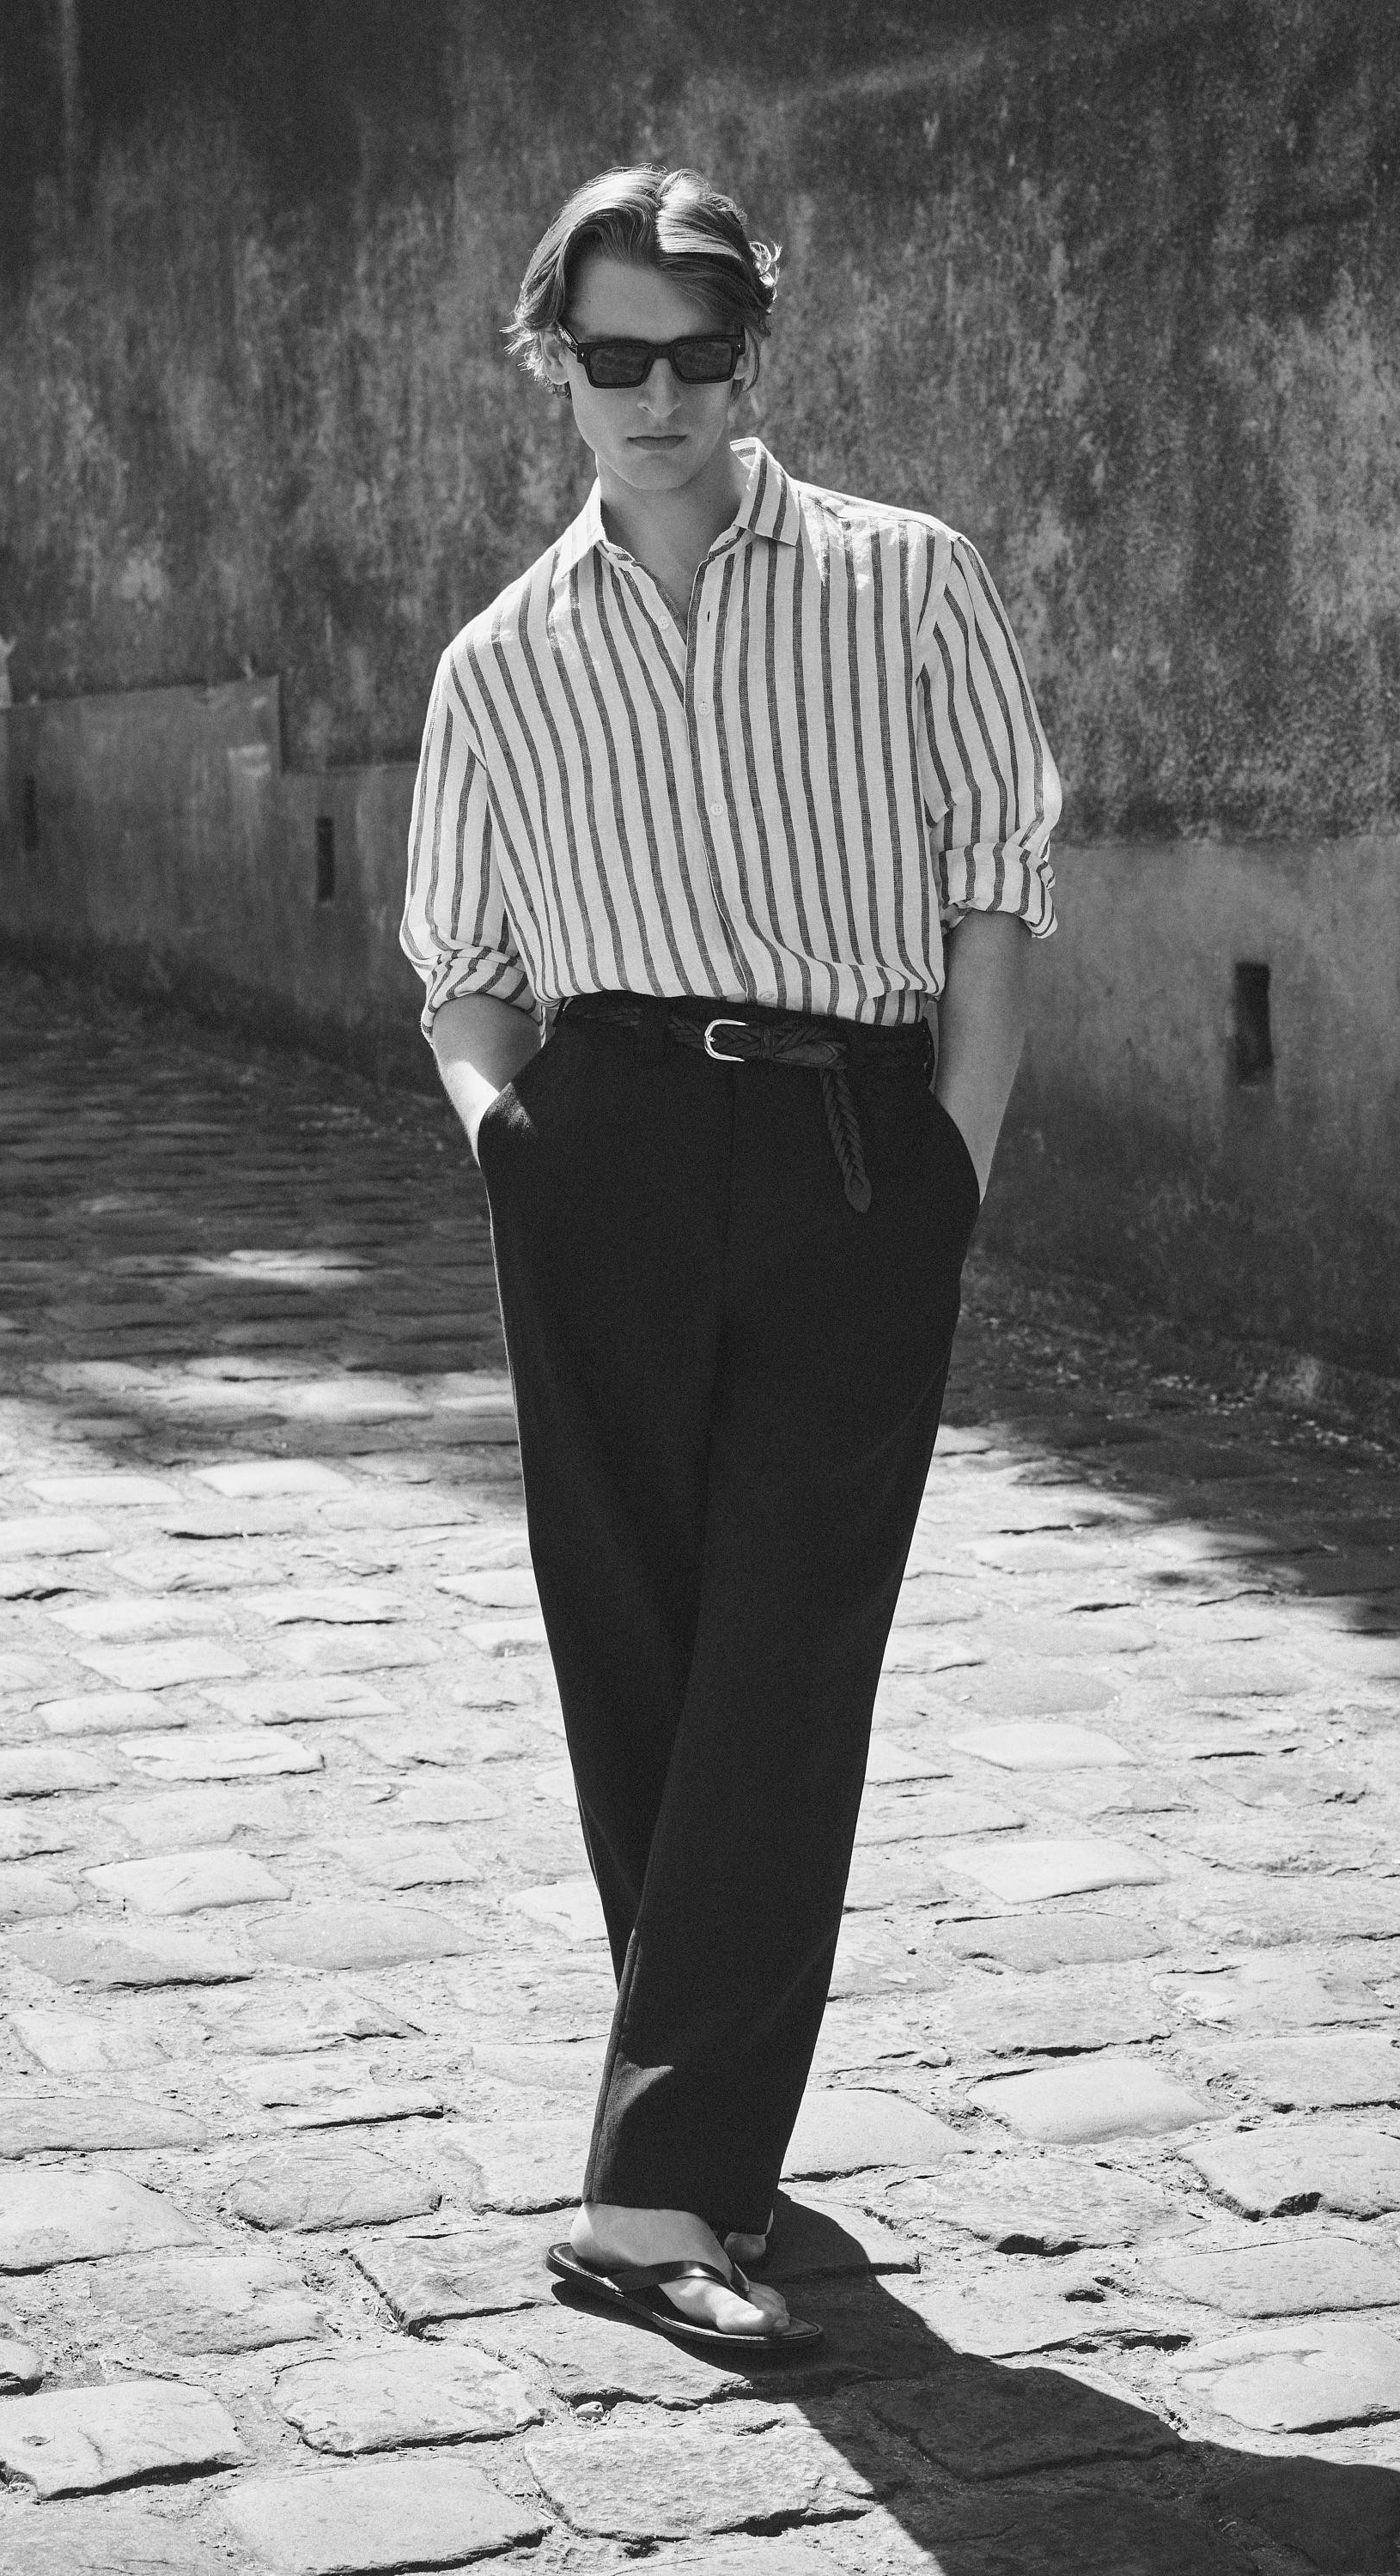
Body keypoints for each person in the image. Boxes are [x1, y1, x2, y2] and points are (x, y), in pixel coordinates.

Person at [402, 165, 1059, 2350]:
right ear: (553, 362)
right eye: (615, 355)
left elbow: (996, 881)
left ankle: (658, 2193)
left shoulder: (906, 578)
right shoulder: (503, 660)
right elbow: (462, 964)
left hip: (852, 1147)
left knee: (788, 1643)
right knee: (641, 1653)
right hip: (598, 1148)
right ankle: (701, 2134)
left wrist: (953, 1156)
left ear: (747, 355)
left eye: (698, 352)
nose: (659, 395)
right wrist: (511, 1146)